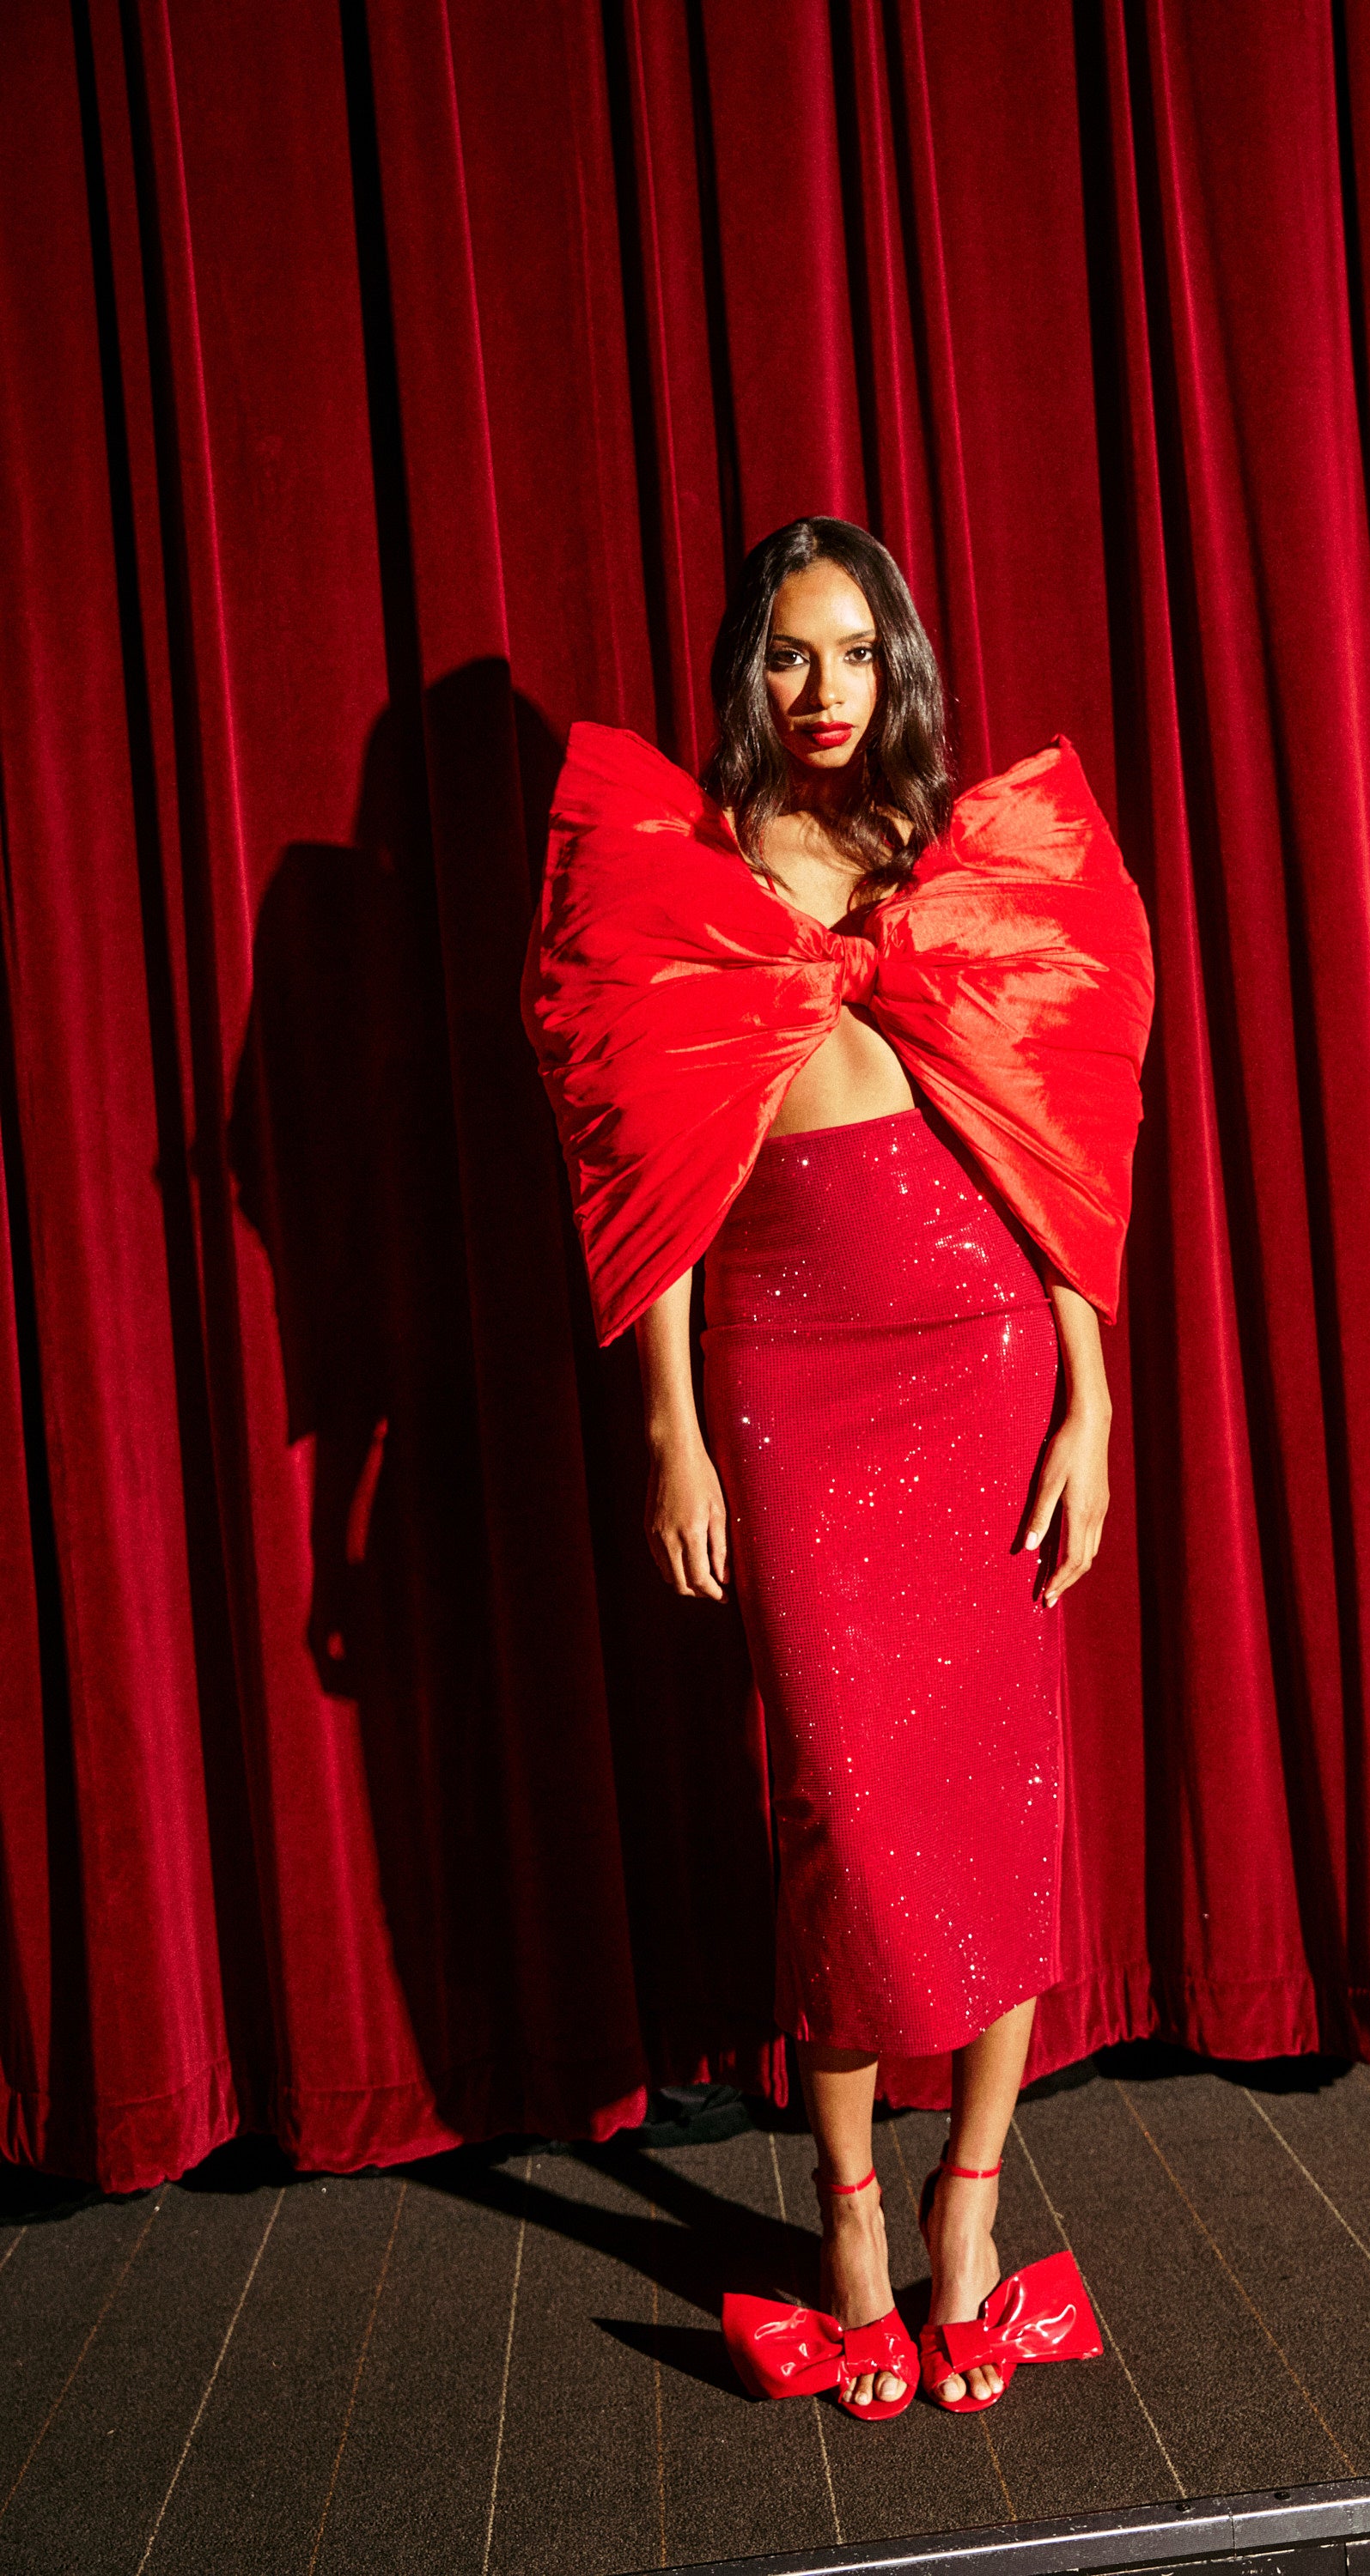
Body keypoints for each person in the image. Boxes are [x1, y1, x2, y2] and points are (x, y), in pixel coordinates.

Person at [522, 516, 1154, 2419]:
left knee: (1000, 1788)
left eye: (851, 655)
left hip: (983, 1360)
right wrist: (672, 1426)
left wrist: (1091, 1394)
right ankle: (851, 2225)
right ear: (745, 672)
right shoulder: (692, 876)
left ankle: (965, 2219)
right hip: (789, 1378)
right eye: (788, 655)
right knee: (847, 1815)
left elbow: (1058, 1140)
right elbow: (653, 1176)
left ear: (899, 670)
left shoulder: (959, 859)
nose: (819, 689)